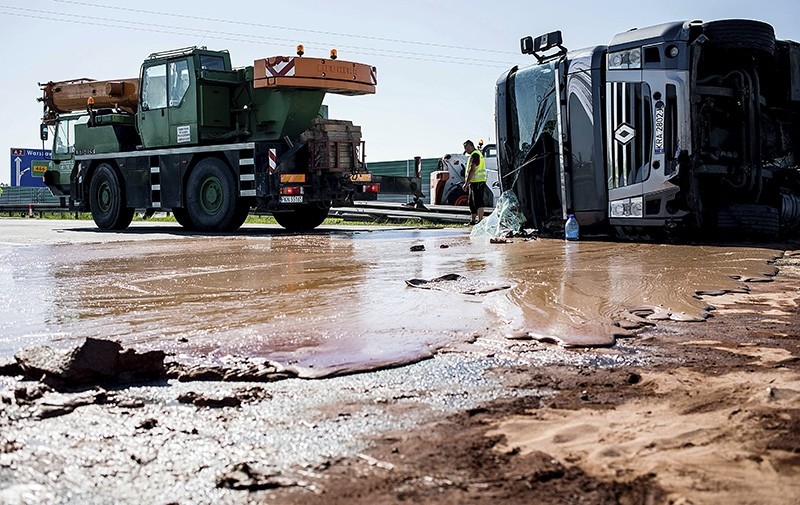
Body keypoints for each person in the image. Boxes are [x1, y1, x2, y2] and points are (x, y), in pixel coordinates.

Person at [461, 139, 487, 224]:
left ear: (470, 145)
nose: (465, 149)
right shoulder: (473, 155)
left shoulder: (475, 155)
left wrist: (466, 183)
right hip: (474, 182)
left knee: (478, 201)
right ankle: (472, 220)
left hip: (478, 182)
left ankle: (480, 221)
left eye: (466, 147)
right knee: (471, 202)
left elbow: (472, 170)